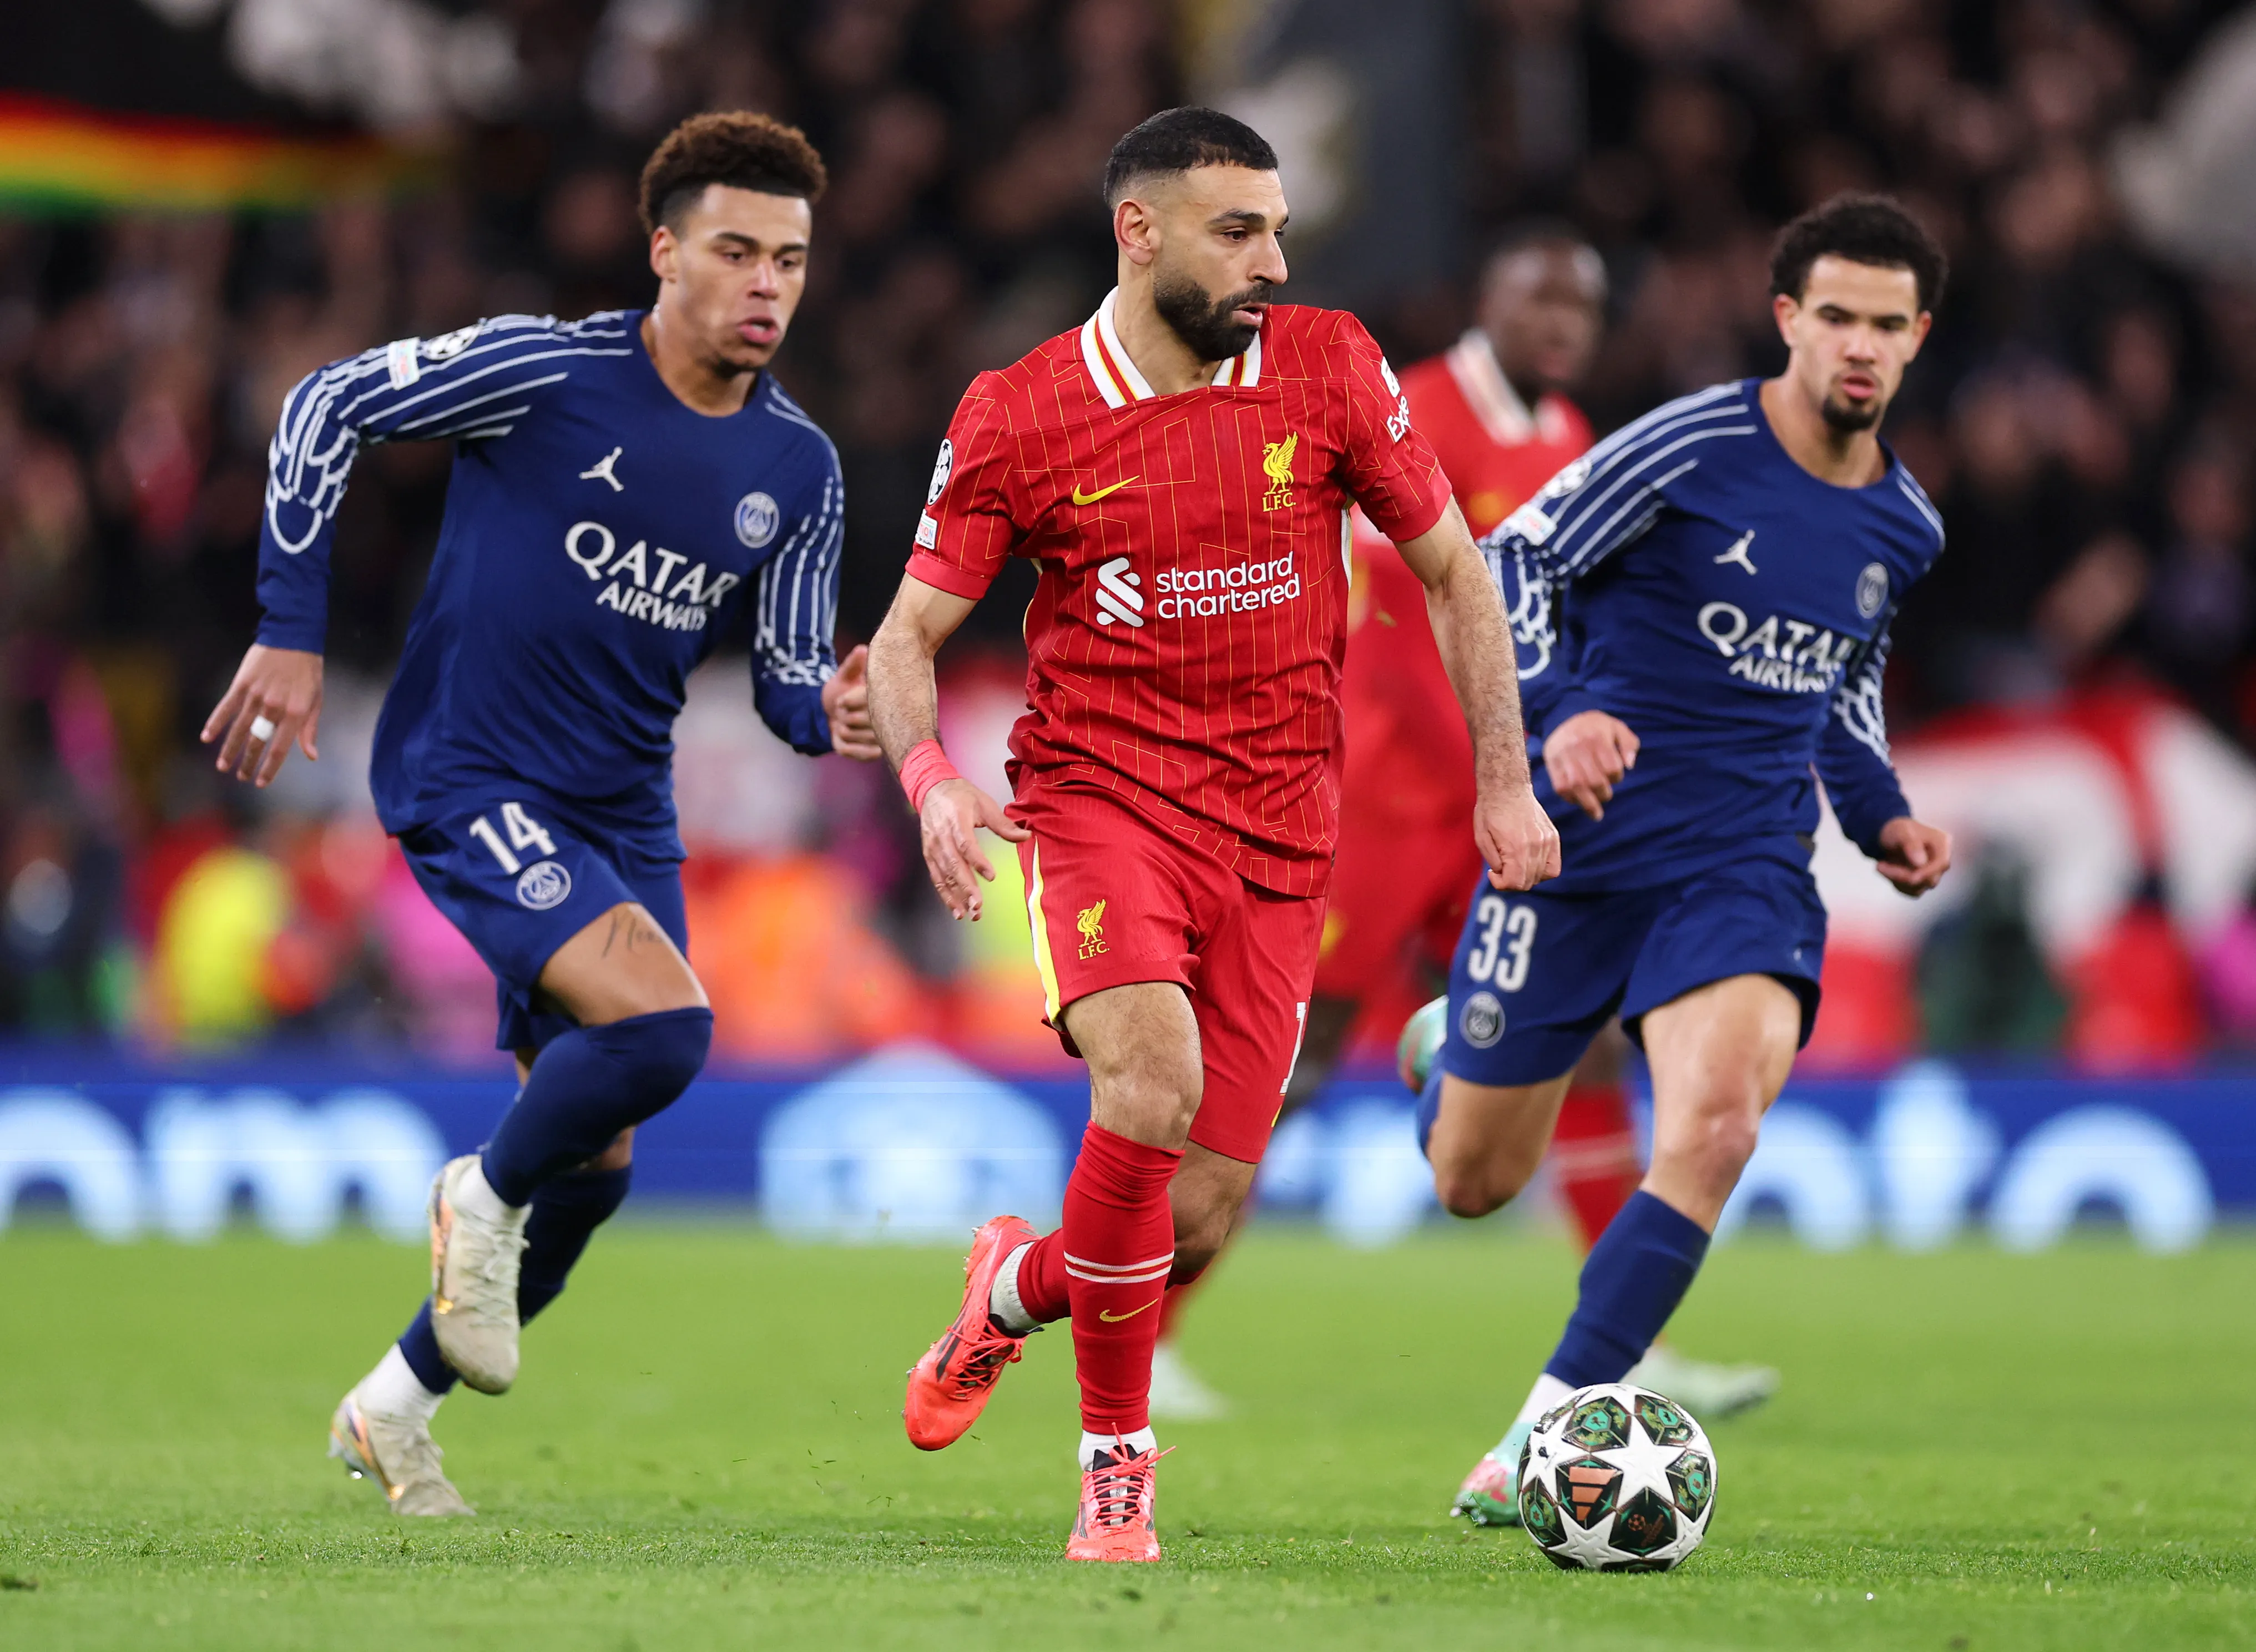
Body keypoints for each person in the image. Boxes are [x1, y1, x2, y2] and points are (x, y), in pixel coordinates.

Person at [865, 107, 1558, 1563]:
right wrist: (933, 779)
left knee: (1194, 1214)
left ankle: (1011, 1291)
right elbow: (907, 639)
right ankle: (1118, 1470)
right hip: (1104, 805)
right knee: (1149, 1083)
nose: (1273, 258)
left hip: (1285, 829)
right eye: (1239, 231)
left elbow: (1455, 574)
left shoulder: (1329, 365)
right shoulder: (1022, 411)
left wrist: (1507, 782)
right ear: (1141, 231)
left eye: (1279, 228)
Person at [202, 112, 879, 1517]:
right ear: (664, 253)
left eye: (792, 261)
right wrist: (289, 627)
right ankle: (479, 1199)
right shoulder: (543, 370)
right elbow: (326, 403)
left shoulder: (798, 472)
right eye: (737, 251)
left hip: (621, 809)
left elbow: (790, 686)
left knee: (606, 1160)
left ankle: (391, 1408)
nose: (768, 285)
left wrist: (846, 712)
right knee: (666, 1029)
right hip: (472, 773)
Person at [1418, 194, 1955, 1526]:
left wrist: (1878, 810)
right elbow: (1508, 565)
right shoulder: (1685, 448)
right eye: (1835, 316)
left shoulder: (1906, 528)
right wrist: (1561, 714)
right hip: (1584, 846)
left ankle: (1541, 1436)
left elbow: (1843, 682)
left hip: (1745, 865)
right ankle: (1445, 1049)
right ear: (1788, 320)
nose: (1859, 348)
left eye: (1887, 326)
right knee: (1471, 1181)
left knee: (1715, 1125)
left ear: (1917, 340)